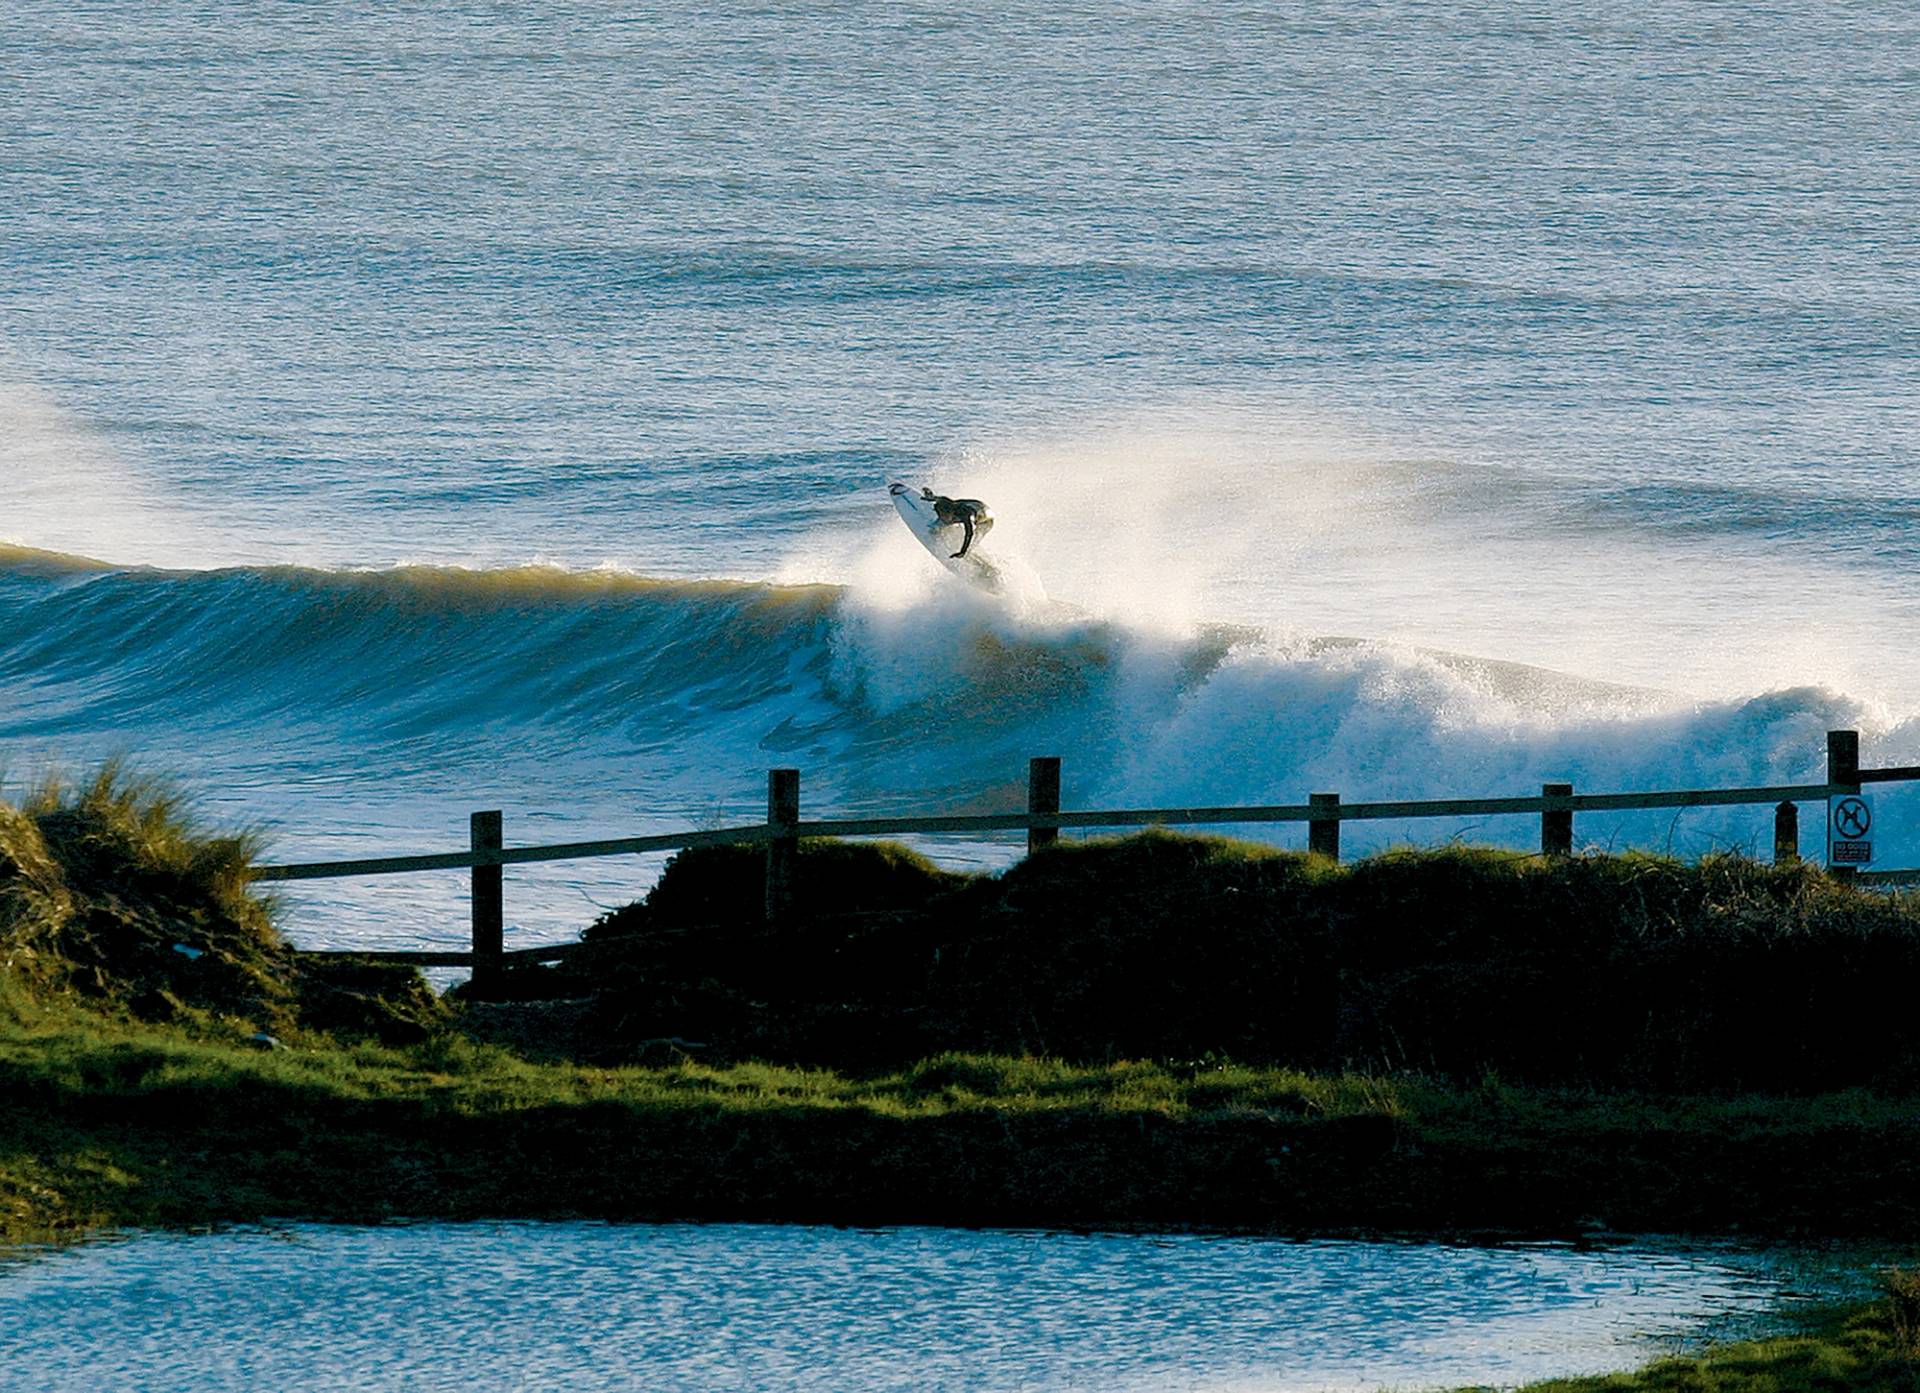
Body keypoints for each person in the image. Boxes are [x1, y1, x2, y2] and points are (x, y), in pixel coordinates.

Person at [921, 488, 991, 559]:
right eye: (940, 514)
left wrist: (963, 551)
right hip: (971, 505)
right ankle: (956, 534)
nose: (942, 517)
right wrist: (930, 496)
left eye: (944, 515)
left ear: (950, 512)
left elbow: (970, 533)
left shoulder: (965, 514)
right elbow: (940, 499)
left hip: (986, 519)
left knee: (973, 540)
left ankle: (968, 554)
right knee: (944, 523)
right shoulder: (944, 503)